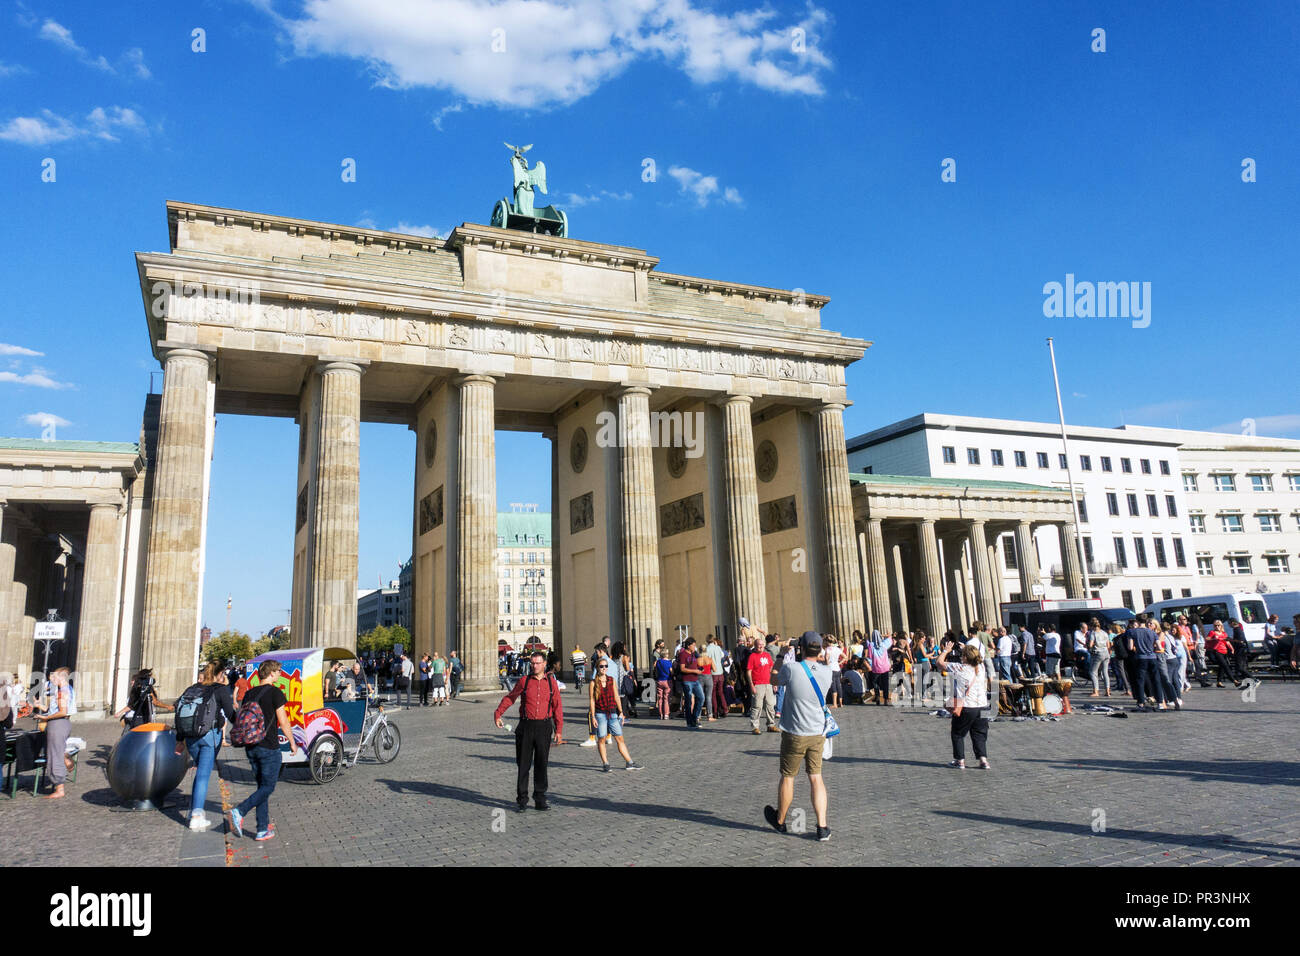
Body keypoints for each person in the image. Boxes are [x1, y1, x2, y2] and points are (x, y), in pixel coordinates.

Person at [764, 631, 833, 842]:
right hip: (817, 732)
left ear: (801, 647)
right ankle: (822, 826)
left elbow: (773, 677)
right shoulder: (827, 671)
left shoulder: (791, 668)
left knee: (788, 777)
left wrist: (781, 655)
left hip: (795, 732)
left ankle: (781, 821)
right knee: (816, 777)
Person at [229, 659, 298, 841]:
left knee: (262, 787)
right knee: (268, 786)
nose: (280, 674)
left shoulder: (250, 693)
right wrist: (292, 741)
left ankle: (262, 828)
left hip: (251, 745)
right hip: (269, 746)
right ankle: (239, 810)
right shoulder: (275, 693)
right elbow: (283, 721)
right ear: (272, 673)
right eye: (279, 672)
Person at [494, 650, 564, 812]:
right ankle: (522, 800)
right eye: (532, 663)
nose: (534, 666)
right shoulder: (524, 681)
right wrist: (498, 713)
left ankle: (540, 798)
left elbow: (557, 707)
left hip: (544, 727)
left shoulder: (551, 683)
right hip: (525, 726)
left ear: (545, 664)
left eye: (538, 663)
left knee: (541, 764)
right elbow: (510, 698)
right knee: (523, 765)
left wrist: (558, 730)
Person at [176, 662, 236, 831]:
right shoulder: (220, 690)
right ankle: (196, 815)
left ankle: (196, 809)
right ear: (220, 674)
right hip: (210, 737)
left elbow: (179, 711)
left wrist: (179, 740)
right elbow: (231, 714)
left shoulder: (193, 688)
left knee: (200, 773)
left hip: (190, 737)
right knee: (203, 774)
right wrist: (242, 729)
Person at [935, 640, 990, 770]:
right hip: (982, 705)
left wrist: (945, 651)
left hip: (966, 706)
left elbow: (939, 663)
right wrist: (967, 648)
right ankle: (983, 760)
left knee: (958, 733)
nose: (961, 657)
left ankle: (960, 760)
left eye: (963, 655)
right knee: (979, 734)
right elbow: (976, 658)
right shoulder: (981, 667)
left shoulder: (959, 668)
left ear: (965, 657)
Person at [587, 657, 644, 772]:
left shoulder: (611, 680)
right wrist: (593, 716)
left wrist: (621, 712)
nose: (604, 668)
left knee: (619, 738)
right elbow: (592, 700)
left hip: (612, 713)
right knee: (602, 739)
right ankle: (605, 763)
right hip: (600, 714)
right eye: (601, 666)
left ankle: (629, 762)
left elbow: (616, 696)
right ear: (597, 668)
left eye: (606, 666)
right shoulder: (593, 683)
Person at [29, 667, 75, 798]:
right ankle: (66, 760)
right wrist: (41, 706)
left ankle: (59, 788)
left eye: (53, 677)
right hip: (62, 723)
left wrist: (45, 717)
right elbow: (55, 709)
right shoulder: (67, 689)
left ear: (61, 677)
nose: (52, 680)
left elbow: (62, 712)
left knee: (54, 755)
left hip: (58, 724)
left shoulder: (63, 691)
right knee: (57, 752)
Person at [1127, 616, 1176, 711]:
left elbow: (1130, 647)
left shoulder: (1132, 632)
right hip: (1152, 658)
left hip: (1140, 658)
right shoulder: (1152, 632)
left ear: (1137, 621)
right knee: (1156, 680)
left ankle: (1141, 703)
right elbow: (1158, 647)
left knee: (1140, 681)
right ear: (1146, 621)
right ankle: (1160, 703)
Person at [745, 631, 777, 733]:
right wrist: (751, 685)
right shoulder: (752, 656)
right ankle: (755, 727)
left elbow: (771, 667)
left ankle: (771, 725)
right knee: (757, 706)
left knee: (770, 705)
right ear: (755, 646)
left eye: (762, 645)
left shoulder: (767, 655)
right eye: (759, 645)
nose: (761, 647)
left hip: (768, 683)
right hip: (757, 684)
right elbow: (748, 672)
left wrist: (774, 682)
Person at [677, 637, 706, 728]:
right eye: (693, 645)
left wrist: (701, 668)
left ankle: (695, 717)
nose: (695, 646)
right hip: (687, 681)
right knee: (688, 701)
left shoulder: (695, 654)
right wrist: (694, 671)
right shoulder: (683, 654)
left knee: (701, 698)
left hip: (695, 680)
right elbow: (682, 668)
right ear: (688, 646)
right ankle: (690, 722)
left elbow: (699, 663)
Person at [1205, 620, 1242, 687]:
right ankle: (1234, 681)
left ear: (1221, 626)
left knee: (1222, 666)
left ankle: (1219, 682)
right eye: (1215, 625)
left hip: (1224, 651)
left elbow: (1227, 642)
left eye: (1218, 625)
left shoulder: (1224, 633)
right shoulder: (1212, 632)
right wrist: (1214, 639)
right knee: (1225, 665)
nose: (1217, 627)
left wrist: (1232, 649)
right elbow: (1207, 639)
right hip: (1217, 651)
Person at [1086, 618, 1111, 697]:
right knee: (1105, 672)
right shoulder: (1104, 633)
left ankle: (1096, 691)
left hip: (1098, 653)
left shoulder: (1093, 633)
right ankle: (1107, 691)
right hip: (1106, 653)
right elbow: (1108, 645)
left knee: (1093, 672)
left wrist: (1088, 645)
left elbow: (1090, 645)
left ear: (1091, 626)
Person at [866, 630, 892, 704]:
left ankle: (877, 697)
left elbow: (870, 656)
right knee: (885, 683)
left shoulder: (871, 645)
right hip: (885, 667)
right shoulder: (884, 644)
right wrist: (884, 635)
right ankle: (886, 699)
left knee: (875, 683)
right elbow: (890, 638)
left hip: (876, 667)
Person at [705, 634, 727, 719]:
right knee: (720, 692)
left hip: (713, 673)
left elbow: (707, 660)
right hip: (720, 671)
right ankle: (725, 709)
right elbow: (722, 656)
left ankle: (715, 712)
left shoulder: (707, 649)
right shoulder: (718, 648)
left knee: (713, 693)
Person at [652, 645, 673, 719]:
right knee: (666, 698)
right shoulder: (669, 662)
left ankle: (660, 714)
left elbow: (655, 669)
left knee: (660, 698)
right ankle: (666, 714)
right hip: (667, 681)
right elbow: (671, 671)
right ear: (666, 655)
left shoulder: (658, 662)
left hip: (659, 681)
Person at [823, 635, 843, 709]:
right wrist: (839, 663)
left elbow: (826, 658)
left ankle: (835, 703)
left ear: (827, 642)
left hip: (831, 669)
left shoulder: (828, 649)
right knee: (838, 685)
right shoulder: (837, 649)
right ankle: (840, 702)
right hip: (837, 668)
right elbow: (845, 657)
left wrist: (827, 665)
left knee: (833, 686)